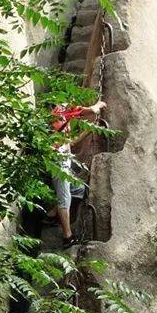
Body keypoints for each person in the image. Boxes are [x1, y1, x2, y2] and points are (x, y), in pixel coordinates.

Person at [51, 97, 105, 247]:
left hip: (64, 161)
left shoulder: (63, 114)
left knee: (79, 190)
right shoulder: (57, 114)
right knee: (65, 197)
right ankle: (67, 237)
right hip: (57, 161)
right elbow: (91, 110)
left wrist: (88, 131)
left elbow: (71, 142)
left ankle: (52, 215)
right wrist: (99, 104)